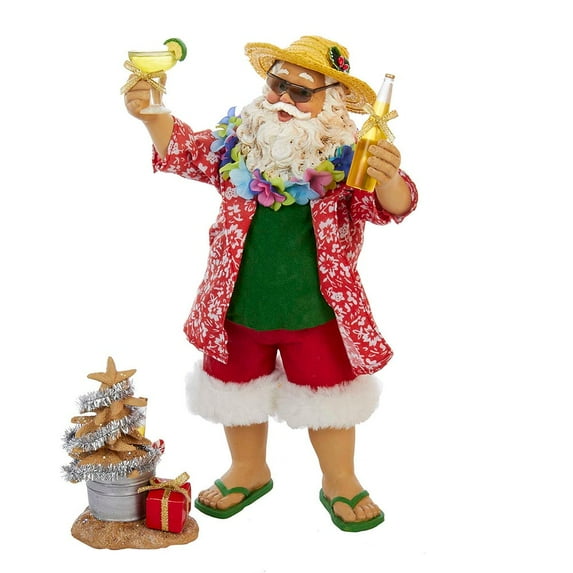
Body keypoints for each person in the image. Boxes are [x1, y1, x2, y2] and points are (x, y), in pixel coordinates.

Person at [124, 35, 418, 532]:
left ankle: (340, 479)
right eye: (277, 84)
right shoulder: (240, 144)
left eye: (301, 92)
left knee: (330, 397)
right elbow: (187, 152)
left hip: (317, 311)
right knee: (235, 389)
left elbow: (391, 206)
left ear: (333, 102)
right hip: (237, 305)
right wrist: (152, 116)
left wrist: (389, 180)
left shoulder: (349, 159)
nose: (283, 99)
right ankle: (248, 468)